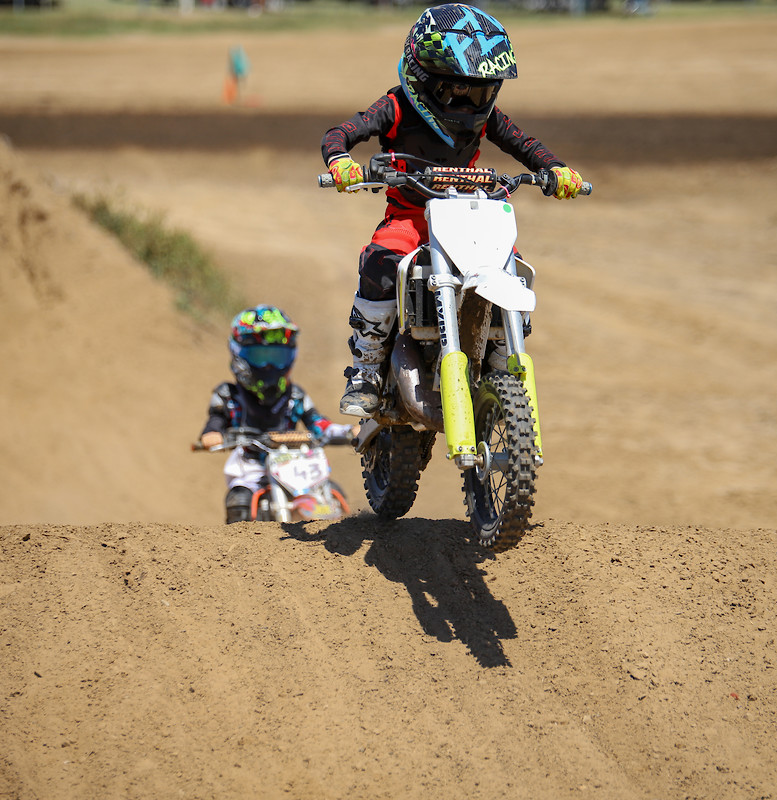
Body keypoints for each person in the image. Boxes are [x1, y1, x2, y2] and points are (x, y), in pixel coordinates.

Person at [321, 3, 585, 418]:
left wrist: (554, 168)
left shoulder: (486, 119)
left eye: (478, 91)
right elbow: (342, 133)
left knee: (512, 266)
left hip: (468, 215)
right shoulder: (395, 107)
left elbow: (523, 143)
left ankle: (501, 359)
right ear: (422, 78)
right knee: (380, 259)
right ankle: (367, 368)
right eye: (454, 89)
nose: (466, 101)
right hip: (410, 216)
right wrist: (340, 160)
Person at [199, 305, 355, 523]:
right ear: (238, 354)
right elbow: (215, 423)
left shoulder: (295, 395)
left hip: (296, 465)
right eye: (261, 355)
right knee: (240, 500)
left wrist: (350, 431)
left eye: (276, 356)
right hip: (252, 467)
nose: (269, 366)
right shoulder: (228, 395)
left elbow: (318, 423)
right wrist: (212, 434)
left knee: (334, 494)